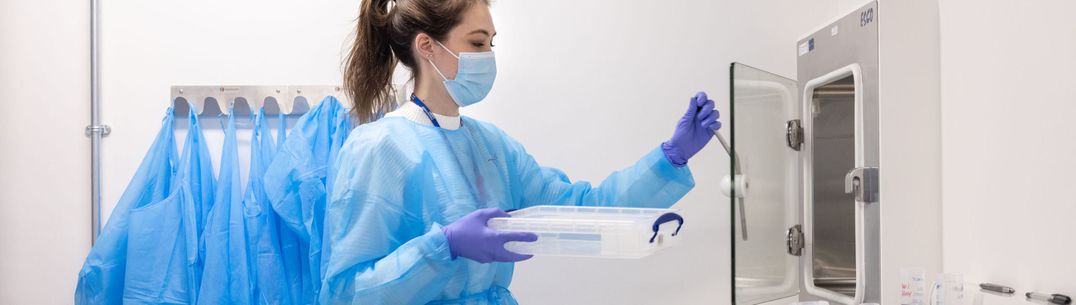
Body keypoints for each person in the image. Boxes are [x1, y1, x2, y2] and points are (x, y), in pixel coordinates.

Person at [322, 0, 721, 304]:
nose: (488, 56)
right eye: (477, 43)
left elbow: (586, 208)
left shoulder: (492, 147)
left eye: (491, 44)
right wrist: (443, 246)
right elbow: (345, 292)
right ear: (427, 46)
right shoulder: (379, 149)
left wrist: (672, 157)